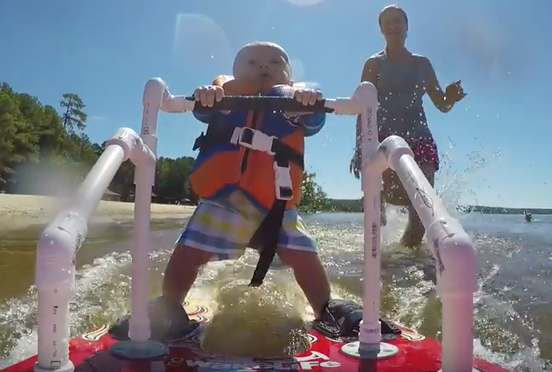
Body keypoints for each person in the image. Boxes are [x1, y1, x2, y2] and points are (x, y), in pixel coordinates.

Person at [161, 41, 332, 322]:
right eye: (252, 63)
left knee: (305, 257)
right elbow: (202, 110)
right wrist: (207, 95)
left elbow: (314, 122)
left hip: (277, 201)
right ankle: (169, 304)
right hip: (225, 199)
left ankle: (325, 307)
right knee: (188, 252)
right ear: (234, 72)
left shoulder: (296, 101)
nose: (264, 66)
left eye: (275, 62)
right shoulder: (223, 95)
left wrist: (310, 103)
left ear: (288, 75)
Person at [350, 4, 467, 247]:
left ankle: (406, 257)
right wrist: (360, 148)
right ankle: (380, 259)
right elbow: (364, 107)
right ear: (381, 29)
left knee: (422, 209)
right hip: (383, 141)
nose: (393, 26)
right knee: (389, 198)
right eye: (387, 22)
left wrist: (451, 98)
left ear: (407, 27)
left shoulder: (422, 64)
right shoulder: (373, 64)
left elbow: (441, 105)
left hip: (419, 138)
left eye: (398, 21)